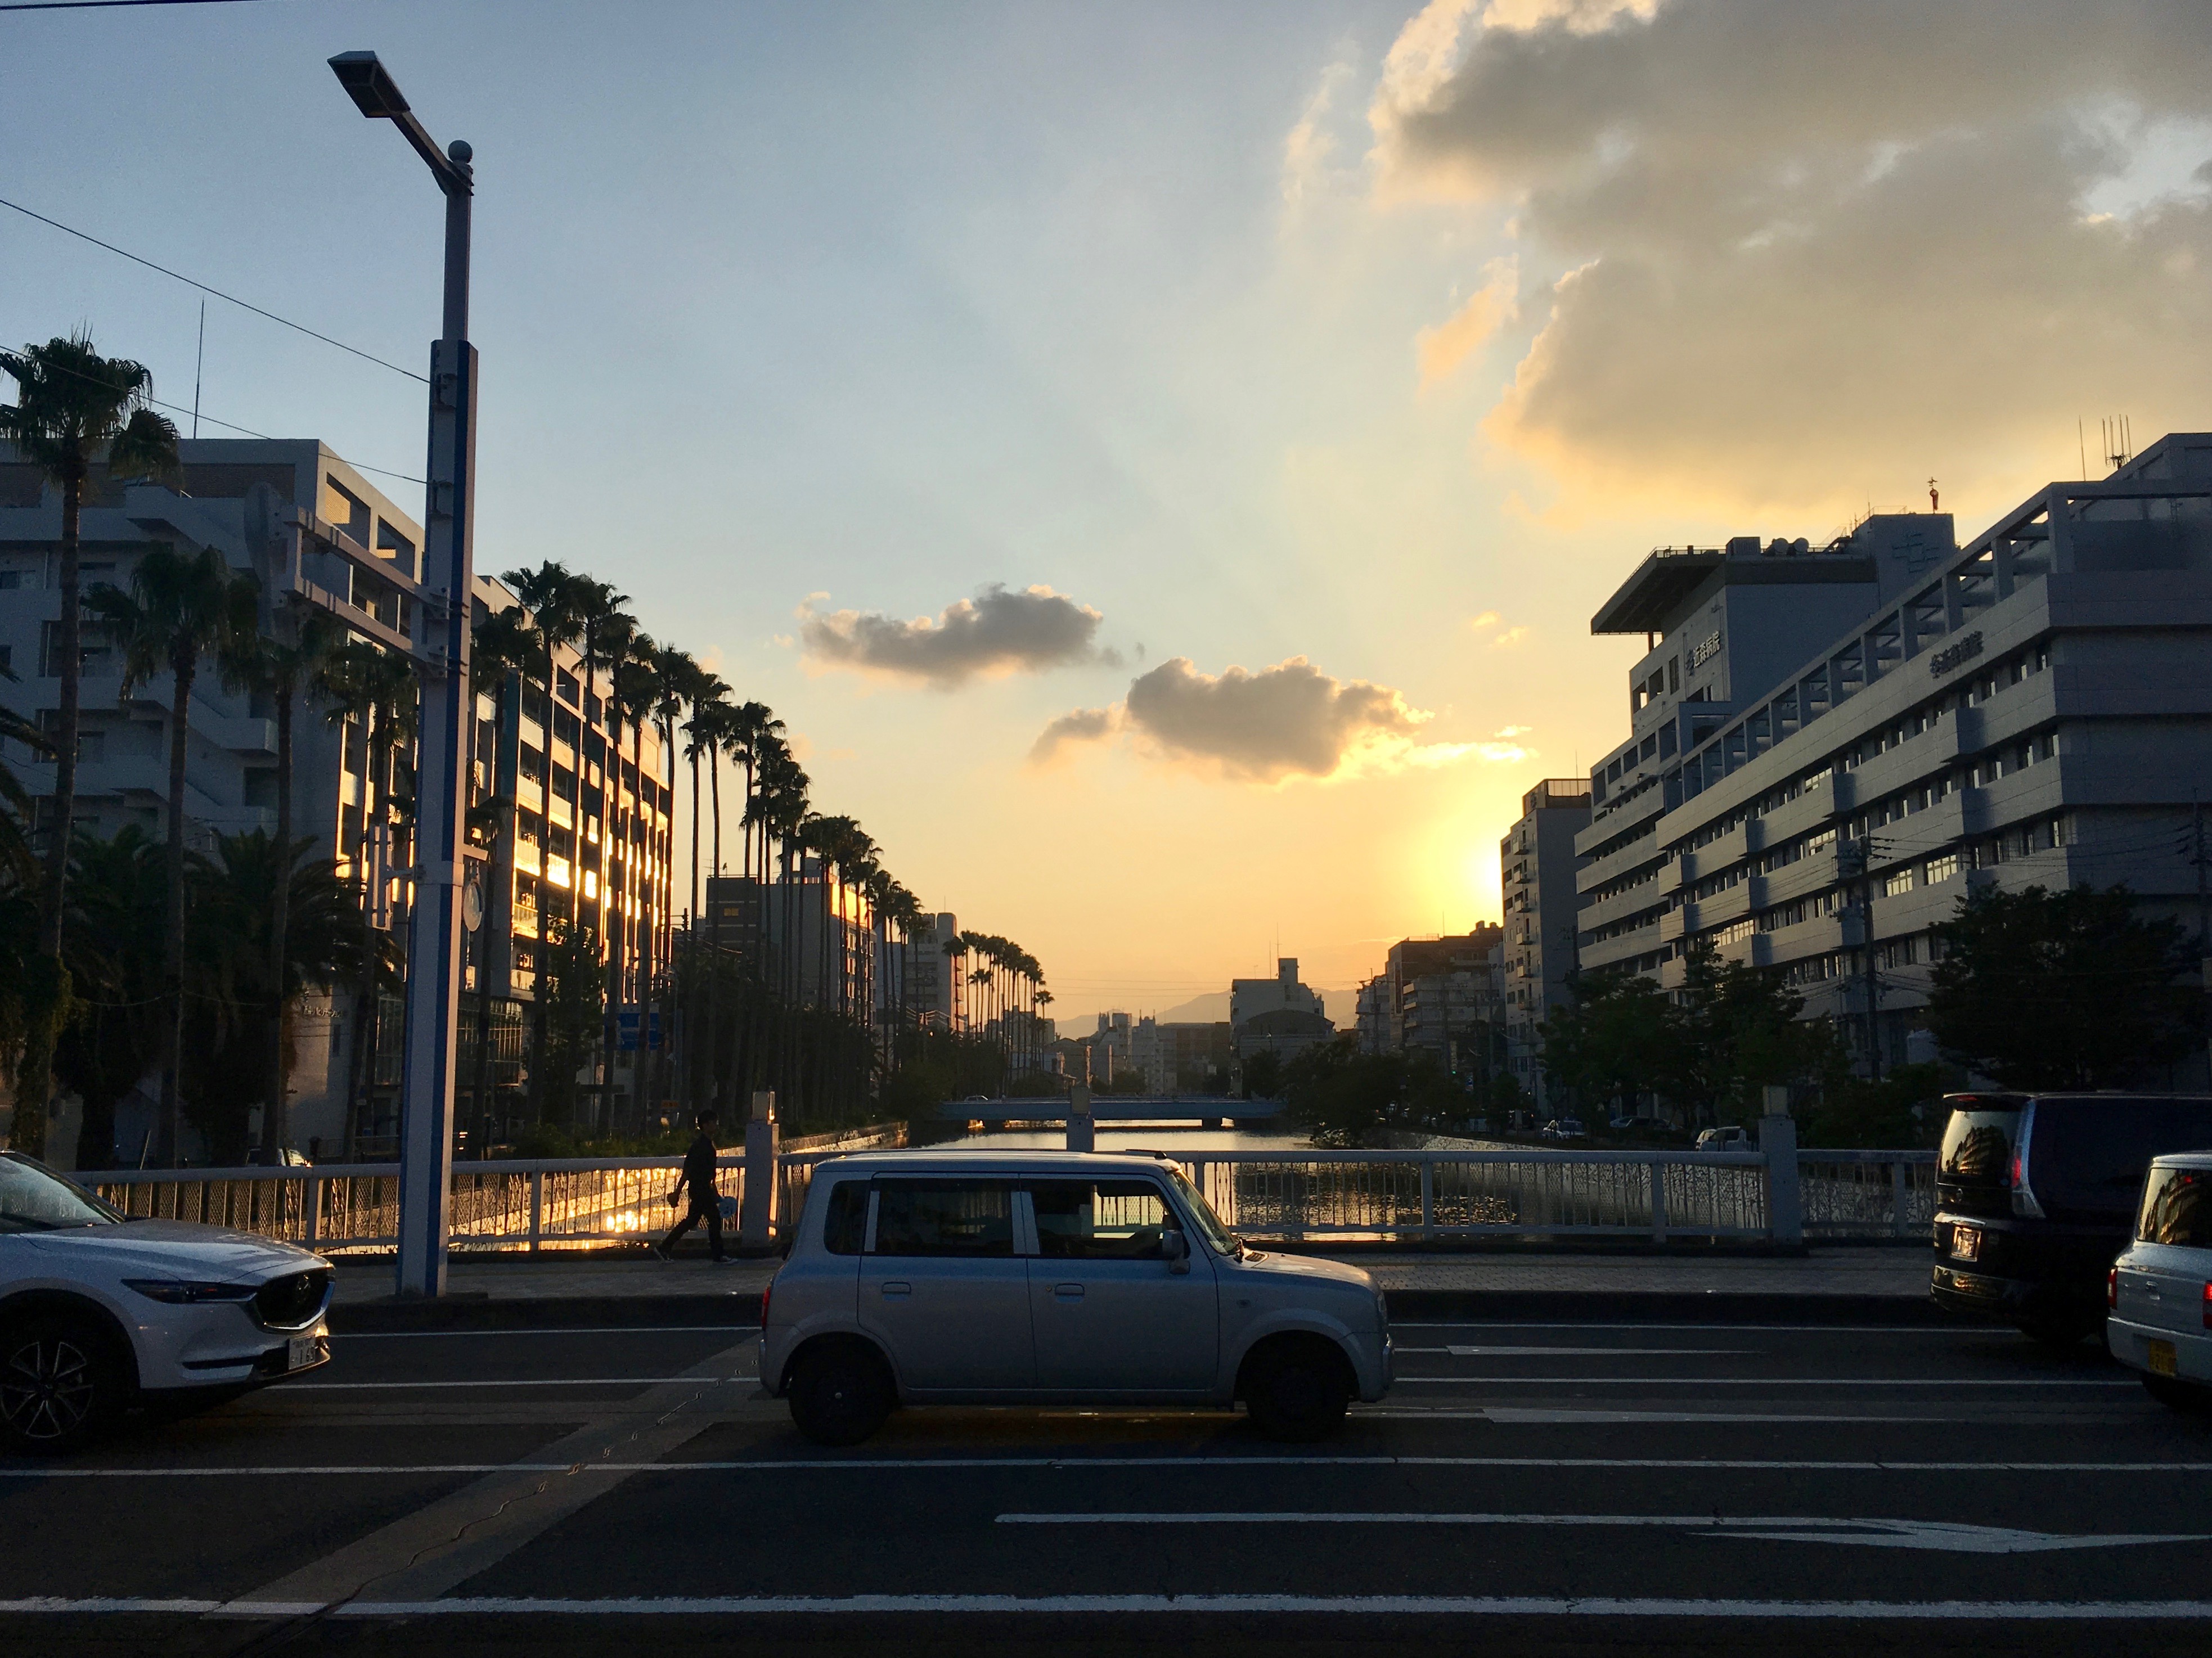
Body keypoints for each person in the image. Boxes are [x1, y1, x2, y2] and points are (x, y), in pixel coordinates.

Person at [653, 1109, 731, 1263]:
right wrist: (677, 1192)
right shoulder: (701, 1146)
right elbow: (688, 1171)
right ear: (705, 1125)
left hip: (701, 1188)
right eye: (713, 1122)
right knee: (714, 1219)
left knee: (692, 1220)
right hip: (700, 1188)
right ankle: (718, 1254)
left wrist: (713, 1188)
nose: (716, 1125)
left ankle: (665, 1247)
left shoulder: (704, 1144)